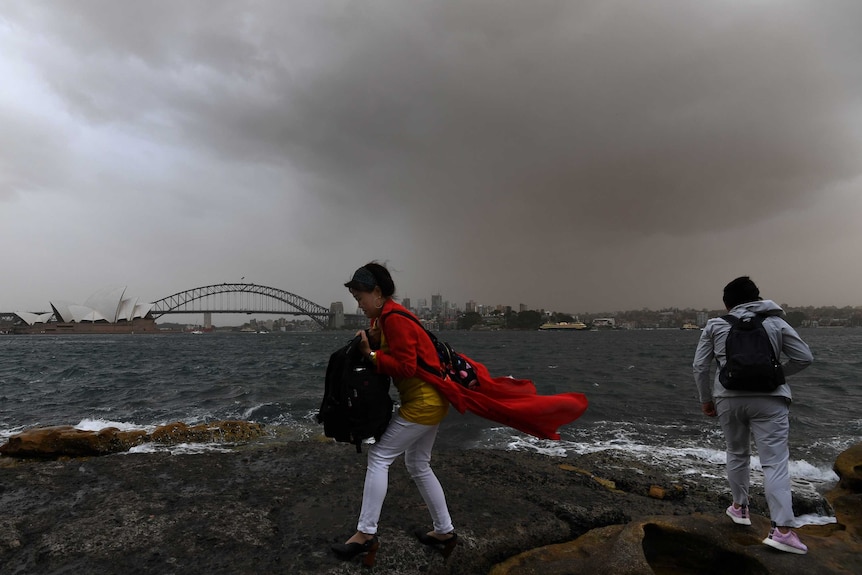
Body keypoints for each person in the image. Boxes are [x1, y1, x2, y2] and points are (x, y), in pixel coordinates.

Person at [331, 262, 456, 567]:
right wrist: (375, 343)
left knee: (380, 457)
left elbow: (406, 367)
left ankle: (366, 534)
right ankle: (445, 532)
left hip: (423, 402)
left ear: (377, 292)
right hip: (434, 399)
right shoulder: (390, 317)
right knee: (417, 462)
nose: (359, 305)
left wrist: (370, 354)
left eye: (360, 297)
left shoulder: (395, 319)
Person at [692, 276, 813, 555]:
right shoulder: (775, 322)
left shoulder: (715, 325)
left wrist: (705, 400)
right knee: (774, 464)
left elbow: (699, 367)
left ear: (727, 303)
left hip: (728, 398)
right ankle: (782, 531)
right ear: (758, 298)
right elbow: (805, 357)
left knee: (736, 453)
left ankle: (740, 509)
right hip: (770, 398)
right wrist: (777, 373)